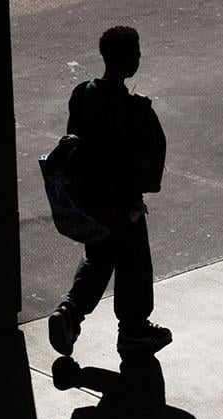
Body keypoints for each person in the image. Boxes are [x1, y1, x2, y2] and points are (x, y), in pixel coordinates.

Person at [49, 25, 170, 357]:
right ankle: (133, 329)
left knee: (99, 257)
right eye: (137, 52)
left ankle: (70, 312)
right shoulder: (133, 109)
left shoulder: (82, 93)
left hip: (89, 199)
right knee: (134, 263)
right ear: (130, 59)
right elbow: (145, 158)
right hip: (122, 203)